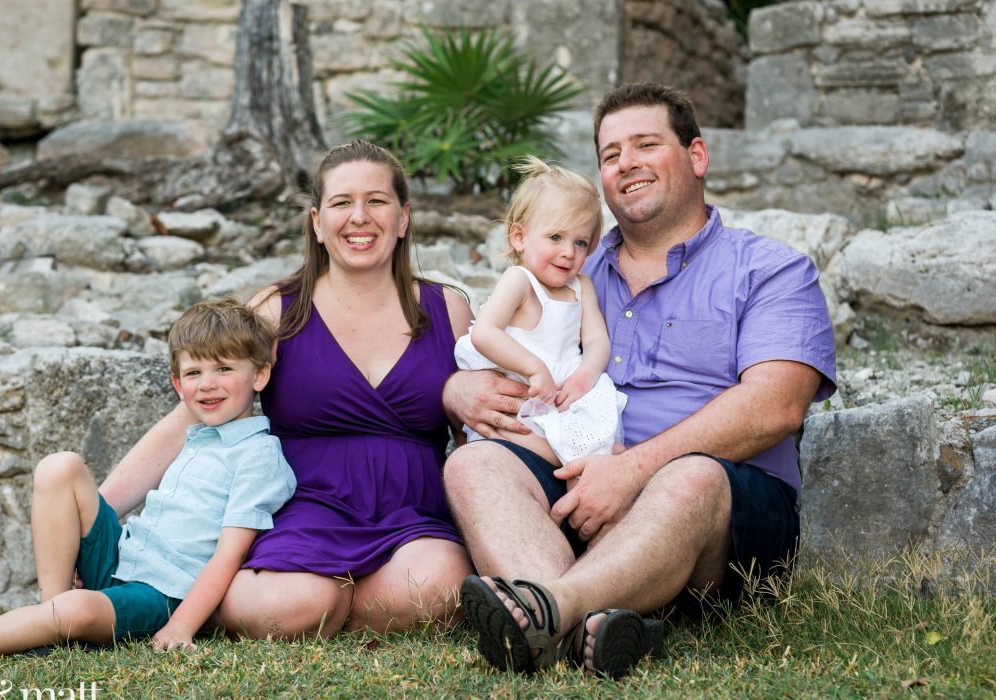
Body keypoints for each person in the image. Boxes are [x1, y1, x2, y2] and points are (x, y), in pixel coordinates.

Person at [443, 82, 837, 679]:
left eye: (646, 144)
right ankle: (599, 628)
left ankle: (554, 607)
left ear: (696, 156)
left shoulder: (772, 269)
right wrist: (457, 391)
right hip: (578, 484)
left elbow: (776, 407)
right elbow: (504, 349)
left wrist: (631, 471)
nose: (626, 163)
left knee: (689, 477)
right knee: (472, 466)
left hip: (720, 509)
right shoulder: (569, 269)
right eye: (609, 154)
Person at [98, 139, 475, 639]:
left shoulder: (448, 308)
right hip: (302, 509)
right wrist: (99, 520)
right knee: (286, 603)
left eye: (377, 201)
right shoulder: (278, 310)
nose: (359, 217)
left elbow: (473, 436)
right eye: (342, 203)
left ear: (403, 218)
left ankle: (325, 608)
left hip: (412, 514)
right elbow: (195, 412)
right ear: (318, 223)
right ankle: (306, 603)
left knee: (440, 586)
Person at [0, 298, 296, 662]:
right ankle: (50, 616)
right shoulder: (198, 436)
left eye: (224, 369)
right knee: (58, 467)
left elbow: (228, 554)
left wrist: (180, 624)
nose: (208, 384)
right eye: (194, 373)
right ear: (177, 385)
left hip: (161, 593)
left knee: (79, 609)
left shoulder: (257, 455)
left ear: (258, 374)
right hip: (122, 556)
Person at [453, 156, 627, 480]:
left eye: (580, 243)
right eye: (555, 238)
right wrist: (534, 368)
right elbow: (485, 332)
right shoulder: (520, 281)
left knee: (596, 432)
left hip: (564, 391)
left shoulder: (582, 286)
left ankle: (592, 471)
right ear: (519, 237)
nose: (568, 252)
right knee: (515, 437)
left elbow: (596, 339)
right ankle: (587, 462)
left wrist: (586, 374)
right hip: (524, 390)